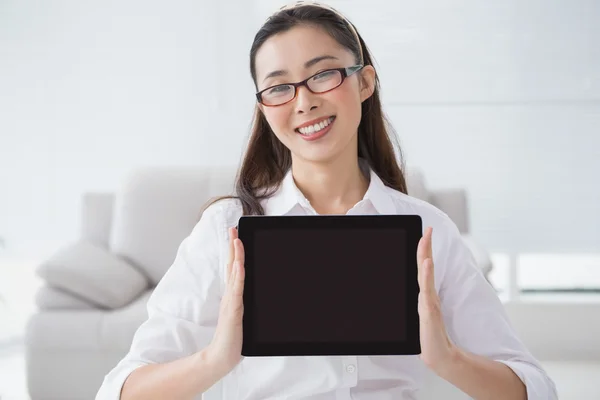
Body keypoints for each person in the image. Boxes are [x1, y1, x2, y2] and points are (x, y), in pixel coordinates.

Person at [96, 2, 557, 399]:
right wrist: (217, 359)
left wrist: (447, 358)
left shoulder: (425, 228)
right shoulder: (227, 229)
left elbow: (534, 387)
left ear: (364, 82)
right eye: (279, 86)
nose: (303, 101)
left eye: (323, 75)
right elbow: (120, 389)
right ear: (263, 106)